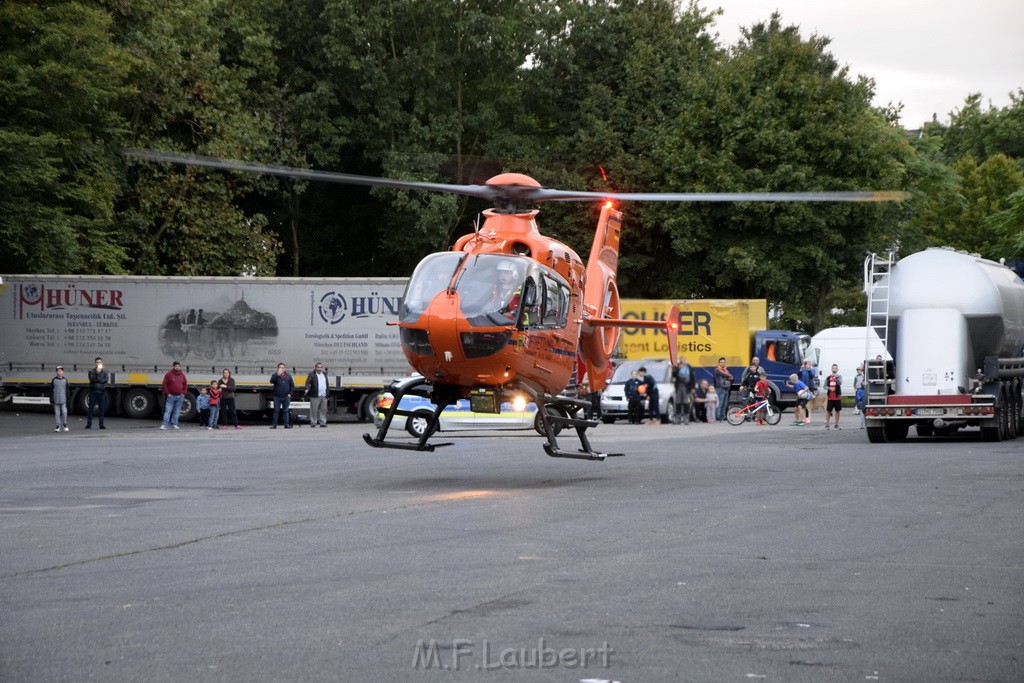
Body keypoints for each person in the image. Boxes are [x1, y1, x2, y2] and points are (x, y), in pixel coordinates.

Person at [160, 361, 188, 430]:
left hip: (179, 396)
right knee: (168, 411)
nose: (177, 367)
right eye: (176, 366)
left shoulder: (182, 375)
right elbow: (164, 384)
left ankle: (174, 424)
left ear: (180, 367)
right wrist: (168, 393)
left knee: (177, 411)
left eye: (178, 366)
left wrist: (183, 393)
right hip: (171, 396)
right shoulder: (169, 374)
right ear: (173, 367)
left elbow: (185, 384)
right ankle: (164, 425)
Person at [303, 362, 329, 428]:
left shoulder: (324, 374)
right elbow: (308, 382)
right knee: (314, 409)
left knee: (323, 410)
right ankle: (313, 422)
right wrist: (307, 388)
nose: (319, 369)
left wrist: (327, 392)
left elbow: (326, 384)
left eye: (320, 367)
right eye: (318, 367)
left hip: (324, 395)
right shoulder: (312, 374)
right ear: (315, 368)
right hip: (315, 395)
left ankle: (322, 423)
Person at [85, 357, 108, 430]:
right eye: (97, 362)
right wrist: (97, 374)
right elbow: (91, 379)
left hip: (101, 392)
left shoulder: (104, 372)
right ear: (95, 363)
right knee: (91, 408)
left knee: (101, 409)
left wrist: (98, 378)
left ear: (102, 363)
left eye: (100, 362)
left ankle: (101, 424)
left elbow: (105, 380)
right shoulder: (91, 371)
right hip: (93, 392)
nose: (98, 363)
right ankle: (89, 424)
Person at [270, 362, 295, 428]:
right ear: (278, 368)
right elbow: (271, 381)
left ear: (284, 369)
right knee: (276, 410)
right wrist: (277, 375)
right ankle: (274, 425)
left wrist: (290, 393)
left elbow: (292, 386)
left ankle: (286, 424)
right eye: (280, 367)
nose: (281, 369)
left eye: (282, 367)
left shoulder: (288, 376)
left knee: (286, 410)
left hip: (286, 396)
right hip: (277, 397)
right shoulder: (275, 375)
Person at [671, 357, 695, 425]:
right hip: (679, 387)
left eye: (683, 360)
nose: (683, 362)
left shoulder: (689, 367)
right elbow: (674, 375)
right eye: (681, 361)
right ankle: (678, 418)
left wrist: (693, 388)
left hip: (687, 388)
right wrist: (678, 368)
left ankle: (686, 419)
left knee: (686, 403)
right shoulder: (677, 367)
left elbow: (692, 378)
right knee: (678, 402)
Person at [50, 365, 70, 432]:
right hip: (56, 400)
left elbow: (67, 391)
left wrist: (68, 400)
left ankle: (64, 424)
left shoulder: (65, 380)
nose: (59, 372)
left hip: (63, 399)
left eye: (61, 371)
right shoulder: (54, 380)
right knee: (57, 413)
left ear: (63, 372)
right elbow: (51, 390)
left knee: (64, 412)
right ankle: (58, 425)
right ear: (56, 372)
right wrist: (51, 399)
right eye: (58, 371)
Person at [824, 364, 843, 430]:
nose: (834, 369)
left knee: (837, 410)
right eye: (833, 368)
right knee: (828, 410)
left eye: (836, 368)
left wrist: (836, 378)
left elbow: (840, 383)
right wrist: (829, 388)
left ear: (837, 370)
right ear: (831, 369)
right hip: (830, 396)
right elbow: (824, 386)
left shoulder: (839, 376)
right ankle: (827, 425)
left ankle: (836, 424)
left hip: (837, 396)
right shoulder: (828, 377)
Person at [854, 364, 866, 429]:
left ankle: (864, 424)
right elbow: (859, 398)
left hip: (866, 403)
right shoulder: (860, 390)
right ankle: (861, 424)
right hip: (862, 403)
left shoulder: (863, 376)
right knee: (862, 413)